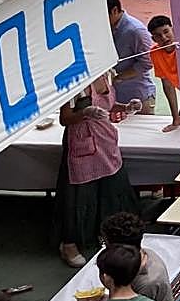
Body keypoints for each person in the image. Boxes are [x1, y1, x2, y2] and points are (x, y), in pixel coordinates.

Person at [56, 73, 138, 267]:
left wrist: (126, 107)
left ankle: (105, 235)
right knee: (79, 194)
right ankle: (69, 243)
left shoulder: (106, 75)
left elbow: (108, 106)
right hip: (82, 141)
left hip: (105, 140)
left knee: (111, 188)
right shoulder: (73, 81)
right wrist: (86, 113)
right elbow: (64, 118)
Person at [107, 0, 156, 115]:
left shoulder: (135, 31)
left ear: (114, 10)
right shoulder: (109, 28)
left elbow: (148, 63)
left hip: (138, 96)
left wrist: (119, 77)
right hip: (117, 97)